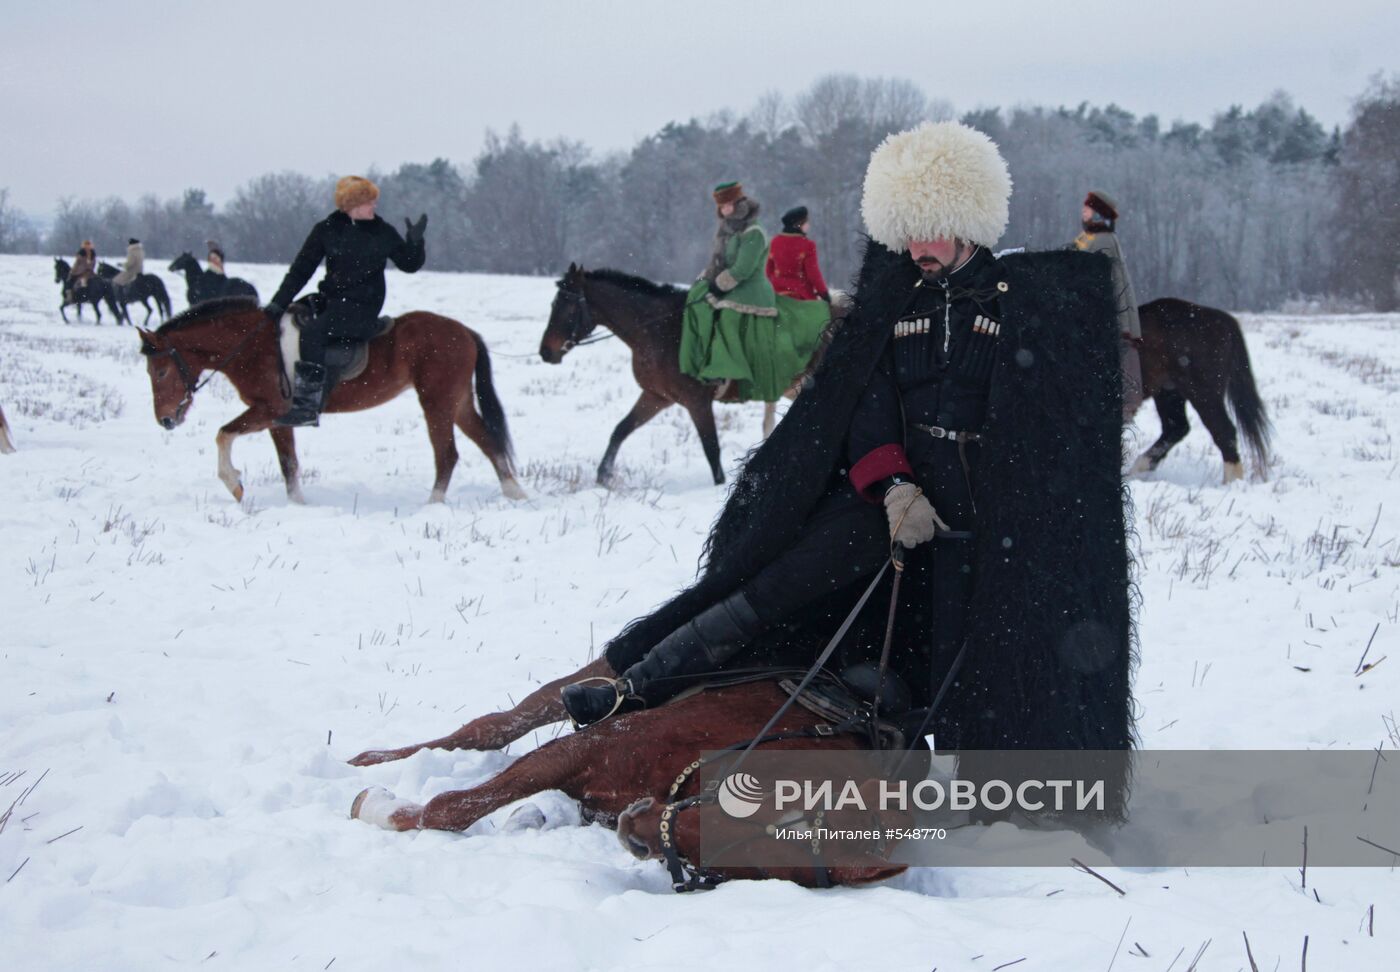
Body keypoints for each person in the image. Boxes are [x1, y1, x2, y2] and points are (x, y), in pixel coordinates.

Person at [561, 122, 1133, 808]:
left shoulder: (1022, 308)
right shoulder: (898, 306)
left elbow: (1057, 419)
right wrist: (894, 486)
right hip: (896, 504)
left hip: (990, 514)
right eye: (907, 231)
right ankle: (638, 684)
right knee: (775, 585)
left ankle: (982, 778)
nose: (916, 249)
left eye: (930, 231)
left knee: (983, 643)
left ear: (967, 223)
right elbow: (867, 408)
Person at [264, 176, 427, 427]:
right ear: (350, 205)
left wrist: (415, 243)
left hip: (362, 307)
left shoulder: (383, 232)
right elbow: (301, 270)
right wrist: (278, 303)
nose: (374, 206)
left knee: (312, 335)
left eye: (374, 201)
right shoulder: (326, 230)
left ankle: (308, 406)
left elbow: (409, 264)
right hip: (330, 301)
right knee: (292, 321)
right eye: (368, 202)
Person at [678, 182, 780, 400]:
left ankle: (726, 371)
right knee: (695, 301)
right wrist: (706, 279)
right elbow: (719, 261)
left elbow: (743, 269)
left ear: (738, 203)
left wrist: (718, 286)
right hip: (730, 283)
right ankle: (696, 360)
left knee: (727, 316)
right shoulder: (726, 229)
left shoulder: (754, 232)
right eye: (721, 206)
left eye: (728, 205)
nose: (724, 210)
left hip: (751, 288)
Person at [1073, 190, 1142, 420]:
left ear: (1098, 212)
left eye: (1088, 208)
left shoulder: (1102, 240)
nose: (1083, 211)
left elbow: (1086, 271)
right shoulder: (1089, 237)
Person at [766, 205, 829, 301]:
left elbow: (768, 271)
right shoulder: (808, 245)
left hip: (777, 295)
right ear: (799, 224)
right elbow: (813, 274)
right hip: (801, 295)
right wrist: (824, 293)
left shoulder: (774, 242)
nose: (808, 225)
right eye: (806, 222)